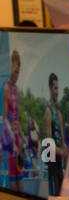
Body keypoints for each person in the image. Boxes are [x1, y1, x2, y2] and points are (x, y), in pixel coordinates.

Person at [42, 72, 67, 197]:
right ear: (50, 88)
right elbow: (48, 143)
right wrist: (61, 152)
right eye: (55, 88)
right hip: (52, 164)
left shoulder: (59, 114)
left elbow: (63, 141)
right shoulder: (48, 112)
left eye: (58, 88)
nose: (57, 91)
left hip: (60, 164)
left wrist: (68, 152)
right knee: (55, 197)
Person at [2, 50, 22, 188]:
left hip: (16, 137)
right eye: (15, 72)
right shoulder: (7, 88)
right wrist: (12, 141)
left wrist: (22, 137)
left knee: (19, 173)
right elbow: (5, 118)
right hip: (8, 139)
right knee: (12, 179)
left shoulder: (16, 90)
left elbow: (17, 118)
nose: (17, 76)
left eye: (18, 73)